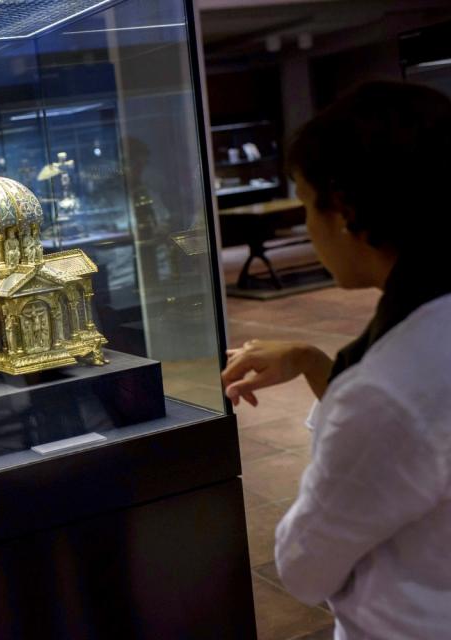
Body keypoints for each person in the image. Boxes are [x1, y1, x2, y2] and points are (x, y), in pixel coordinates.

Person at [221, 81, 451, 639]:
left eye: (306, 205)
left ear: (344, 210)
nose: (308, 228)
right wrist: (311, 360)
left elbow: (303, 566)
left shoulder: (385, 386)